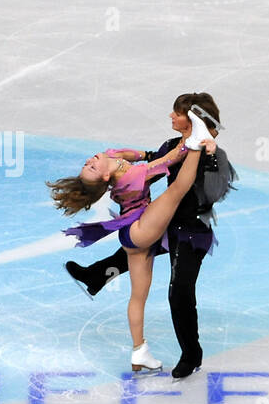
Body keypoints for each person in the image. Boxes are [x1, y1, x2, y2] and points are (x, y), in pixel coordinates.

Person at [64, 92, 236, 379]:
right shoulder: (171, 146)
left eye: (177, 113)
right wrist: (134, 170)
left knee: (178, 292)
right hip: (163, 222)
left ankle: (189, 353)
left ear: (191, 121)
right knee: (139, 248)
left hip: (191, 230)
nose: (171, 116)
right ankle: (96, 277)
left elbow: (214, 191)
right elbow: (154, 167)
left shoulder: (213, 155)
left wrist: (203, 151)